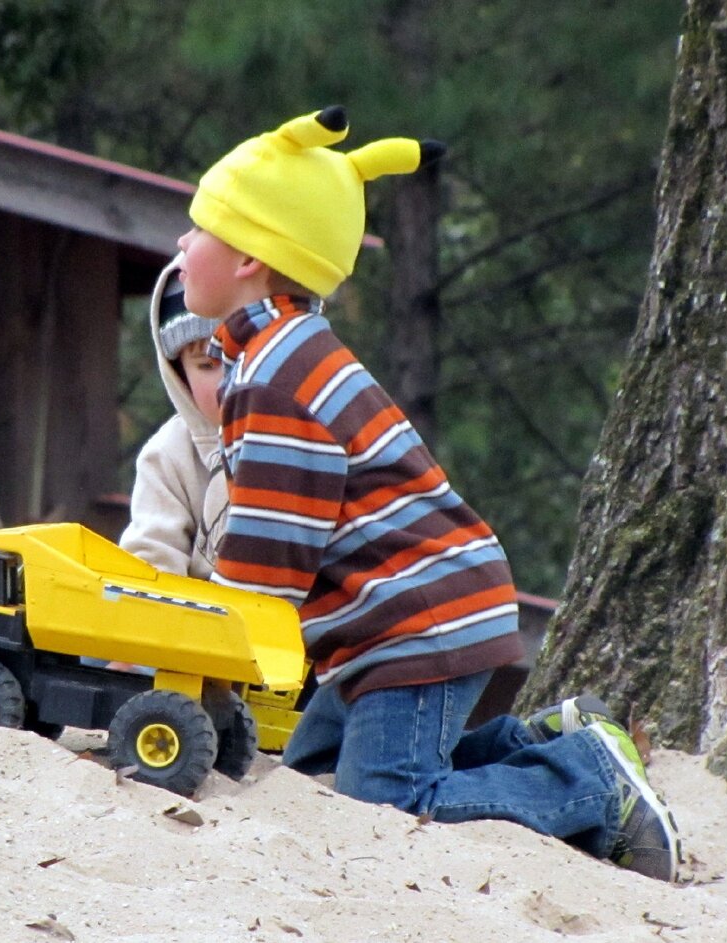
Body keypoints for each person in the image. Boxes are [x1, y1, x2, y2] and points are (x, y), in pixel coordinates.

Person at [174, 105, 682, 881]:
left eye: (198, 225)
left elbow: (273, 554)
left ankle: (593, 780)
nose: (182, 243)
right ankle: (536, 744)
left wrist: (205, 625)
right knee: (314, 766)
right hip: (396, 621)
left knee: (385, 800)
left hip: (413, 625)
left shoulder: (276, 375)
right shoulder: (281, 351)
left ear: (250, 256)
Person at [119, 258, 228, 579]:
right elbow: (150, 566)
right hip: (202, 624)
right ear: (180, 376)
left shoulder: (310, 434)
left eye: (241, 356)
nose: (228, 380)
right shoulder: (168, 456)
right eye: (207, 365)